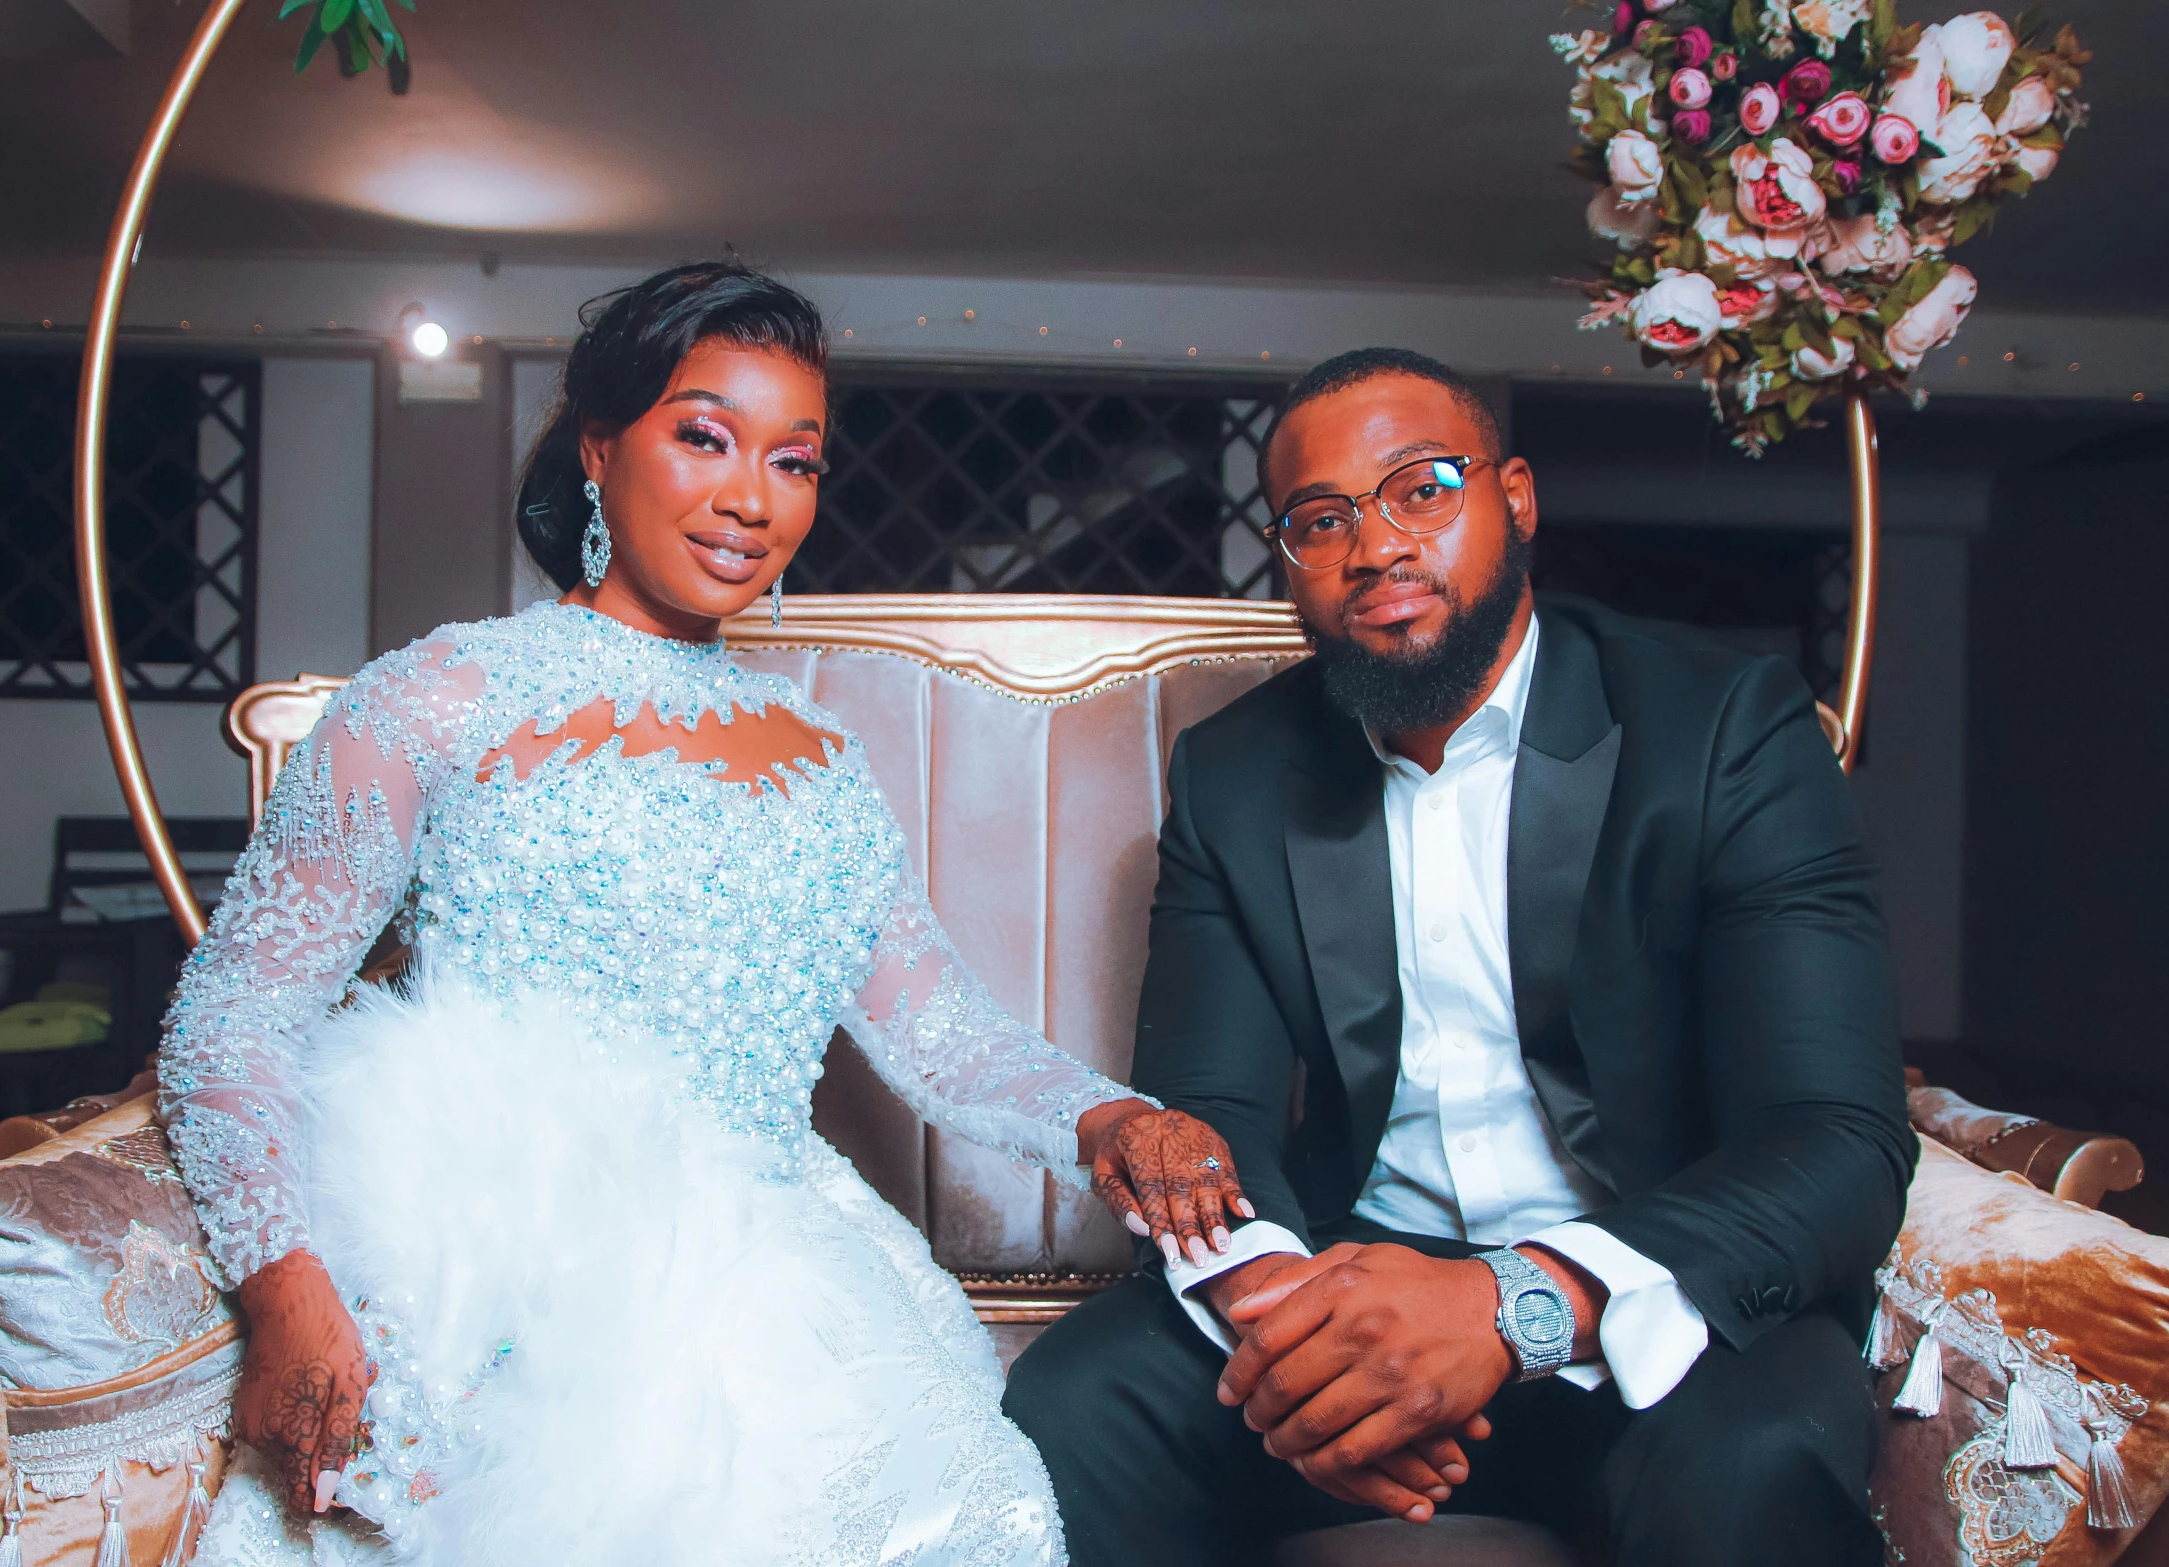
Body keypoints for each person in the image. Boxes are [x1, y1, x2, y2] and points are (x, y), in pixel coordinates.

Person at [162, 262, 1253, 1567]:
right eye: (703, 437)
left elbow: (943, 1032)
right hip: (493, 1267)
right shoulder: (436, 695)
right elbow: (232, 1016)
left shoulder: (820, 760)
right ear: (597, 444)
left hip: (767, 1274)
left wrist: (1107, 1117)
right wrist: (284, 1288)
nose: (750, 499)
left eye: (795, 461)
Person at [1004, 348, 1915, 1567]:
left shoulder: (1721, 725)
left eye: (1421, 487)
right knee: (1076, 1406)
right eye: (1321, 519)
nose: (1374, 546)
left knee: (1749, 1469)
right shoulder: (1235, 775)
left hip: (1648, 1288)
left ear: (1517, 498)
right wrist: (1294, 1342)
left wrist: (1517, 1302)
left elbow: (1836, 1135)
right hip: (1356, 1281)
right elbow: (1211, 1109)